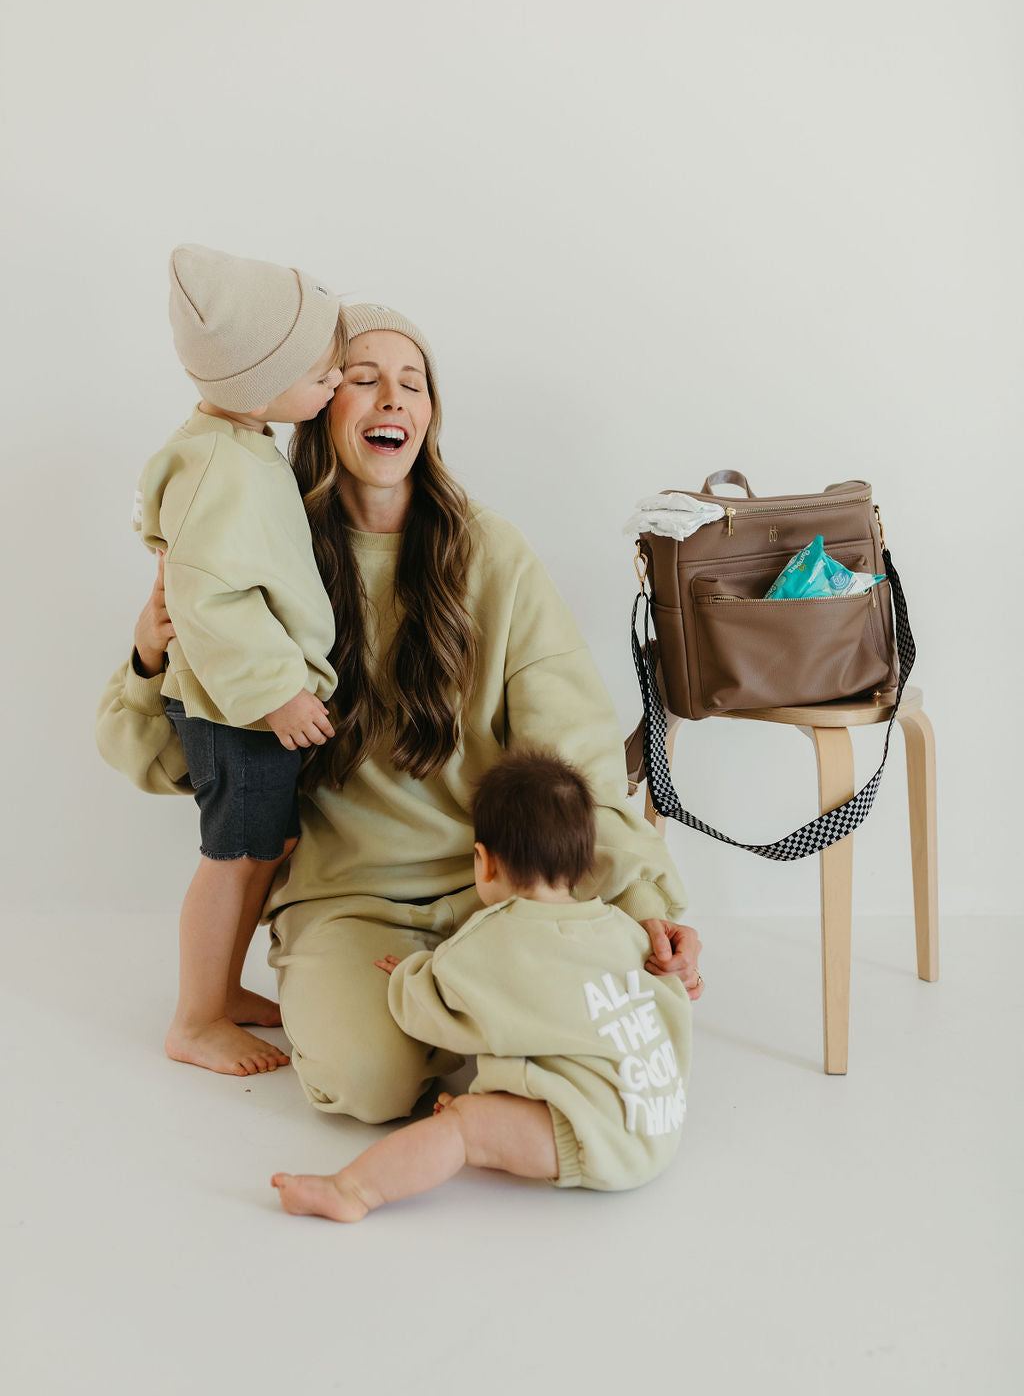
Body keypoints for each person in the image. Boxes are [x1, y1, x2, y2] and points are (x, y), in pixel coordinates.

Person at [97, 289, 704, 1123]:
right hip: (346, 903)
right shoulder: (256, 548)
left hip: (503, 889)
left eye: (413, 383)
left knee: (640, 1044)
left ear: (430, 415)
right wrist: (147, 654)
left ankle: (473, 1018)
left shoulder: (492, 552)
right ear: (316, 404)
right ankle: (455, 1026)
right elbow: (174, 762)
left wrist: (642, 903)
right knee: (366, 1088)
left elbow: (576, 753)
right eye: (362, 377)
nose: (392, 399)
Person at [271, 748, 692, 1221]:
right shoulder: (621, 928)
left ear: (484, 863)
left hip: (589, 1136)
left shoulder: (496, 939)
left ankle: (354, 1190)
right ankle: (510, 1104)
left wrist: (412, 975)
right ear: (582, 864)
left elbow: (435, 1016)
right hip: (657, 1118)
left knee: (462, 1128)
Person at [125, 244, 346, 1078]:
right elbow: (208, 598)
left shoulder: (241, 443)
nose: (332, 387)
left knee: (266, 846)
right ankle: (195, 1017)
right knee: (234, 857)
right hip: (235, 708)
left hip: (242, 704)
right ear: (259, 382)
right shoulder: (225, 466)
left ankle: (224, 987)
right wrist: (277, 693)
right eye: (321, 376)